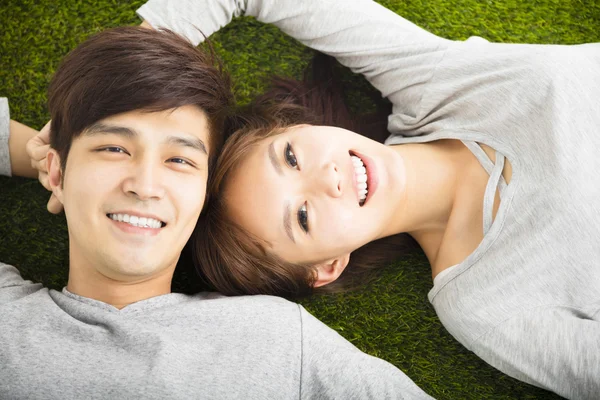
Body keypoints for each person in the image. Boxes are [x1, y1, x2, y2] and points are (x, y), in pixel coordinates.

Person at [124, 0, 600, 399]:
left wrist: (108, 106)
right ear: (326, 267)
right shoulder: (483, 304)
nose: (328, 178)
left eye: (290, 156)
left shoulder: (440, 85)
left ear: (296, 127)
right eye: (303, 217)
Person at [0, 26, 434, 399]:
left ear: (202, 195)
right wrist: (42, 156)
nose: (145, 185)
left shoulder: (274, 338)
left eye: (180, 161)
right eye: (113, 148)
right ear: (56, 173)